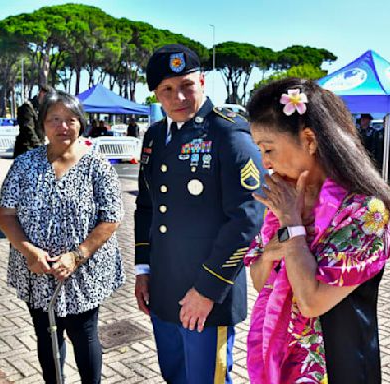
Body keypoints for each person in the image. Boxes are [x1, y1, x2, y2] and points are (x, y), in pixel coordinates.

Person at [244, 78, 390, 383]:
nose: (265, 163)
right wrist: (272, 251)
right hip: (279, 365)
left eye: (268, 149)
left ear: (309, 139)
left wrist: (292, 228)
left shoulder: (363, 212)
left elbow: (311, 301)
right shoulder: (286, 197)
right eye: (259, 150)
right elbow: (259, 280)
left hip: (338, 367)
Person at [134, 44, 265, 383]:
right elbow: (147, 207)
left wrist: (207, 290)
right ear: (156, 95)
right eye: (167, 89)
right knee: (175, 375)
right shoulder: (154, 137)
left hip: (207, 295)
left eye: (186, 85)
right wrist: (143, 270)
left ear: (202, 82)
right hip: (164, 291)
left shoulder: (228, 132)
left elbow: (247, 217)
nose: (178, 96)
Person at [0, 90, 125, 383]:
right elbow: (5, 215)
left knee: (85, 335)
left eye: (70, 119)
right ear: (43, 124)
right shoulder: (25, 164)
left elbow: (111, 218)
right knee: (46, 336)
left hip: (83, 271)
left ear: (81, 123)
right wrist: (29, 251)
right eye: (54, 119)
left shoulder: (97, 167)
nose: (62, 126)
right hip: (36, 270)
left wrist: (76, 255)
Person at [13, 84, 53, 158]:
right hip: (26, 149)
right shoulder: (27, 107)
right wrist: (38, 146)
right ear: (41, 93)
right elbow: (28, 129)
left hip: (37, 148)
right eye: (47, 96)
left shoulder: (42, 109)